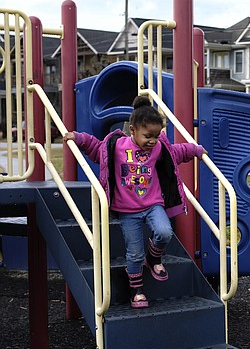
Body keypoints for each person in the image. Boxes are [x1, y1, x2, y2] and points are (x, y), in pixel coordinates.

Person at [65, 96, 206, 309]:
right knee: (134, 252)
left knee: (164, 231)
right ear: (133, 130)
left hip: (153, 204)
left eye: (157, 136)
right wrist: (78, 137)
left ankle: (154, 258)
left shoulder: (158, 148)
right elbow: (96, 149)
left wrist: (195, 150)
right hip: (127, 210)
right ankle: (136, 290)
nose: (152, 141)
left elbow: (176, 152)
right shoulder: (118, 146)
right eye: (148, 136)